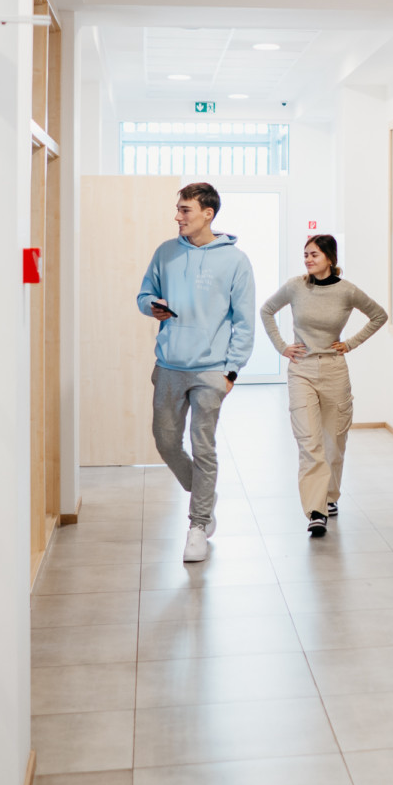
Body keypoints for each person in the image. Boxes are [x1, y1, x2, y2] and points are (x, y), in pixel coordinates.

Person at [137, 182, 255, 562]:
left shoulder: (235, 261)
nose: (178, 216)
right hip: (169, 365)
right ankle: (204, 492)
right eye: (178, 208)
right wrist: (151, 306)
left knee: (203, 446)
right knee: (166, 441)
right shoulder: (166, 252)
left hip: (211, 371)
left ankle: (198, 524)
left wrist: (231, 372)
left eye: (185, 209)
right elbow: (143, 294)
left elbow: (244, 321)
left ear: (208, 213)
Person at [260, 235, 387, 537]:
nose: (308, 259)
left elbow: (379, 315)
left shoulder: (347, 291)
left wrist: (350, 343)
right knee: (309, 442)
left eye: (314, 254)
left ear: (330, 258)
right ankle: (316, 510)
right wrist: (282, 346)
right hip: (301, 369)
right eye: (305, 254)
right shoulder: (295, 286)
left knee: (334, 442)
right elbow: (266, 310)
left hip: (334, 371)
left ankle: (330, 496)